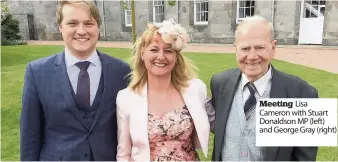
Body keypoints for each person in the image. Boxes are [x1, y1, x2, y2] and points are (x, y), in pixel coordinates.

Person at [20, 0, 131, 161]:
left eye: (88, 23)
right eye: (72, 23)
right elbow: (30, 135)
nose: (81, 31)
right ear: (60, 27)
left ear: (98, 27)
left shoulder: (121, 71)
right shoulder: (37, 72)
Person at [209, 15, 319, 161]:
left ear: (273, 48)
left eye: (260, 47)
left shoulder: (303, 93)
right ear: (236, 49)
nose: (252, 56)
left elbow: (305, 158)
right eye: (245, 48)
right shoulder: (219, 83)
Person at [116, 18, 210, 161]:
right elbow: (124, 153)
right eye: (154, 49)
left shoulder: (196, 89)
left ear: (176, 56)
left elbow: (223, 120)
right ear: (142, 53)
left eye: (168, 51)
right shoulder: (126, 98)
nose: (161, 57)